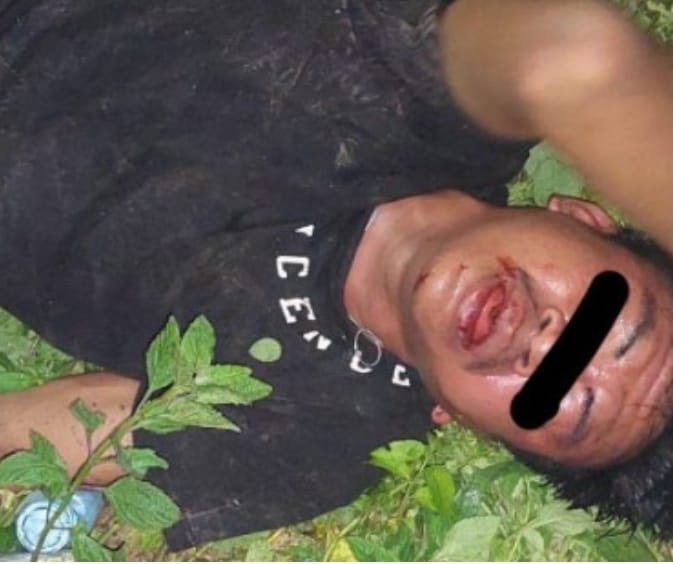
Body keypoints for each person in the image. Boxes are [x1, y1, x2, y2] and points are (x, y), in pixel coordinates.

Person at [0, 0, 672, 550]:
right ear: (583, 217)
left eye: (552, 396)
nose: (544, 345)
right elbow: (569, 57)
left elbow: (60, 428)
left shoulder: (326, 438)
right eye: (600, 315)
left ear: (467, 422)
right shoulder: (450, 101)